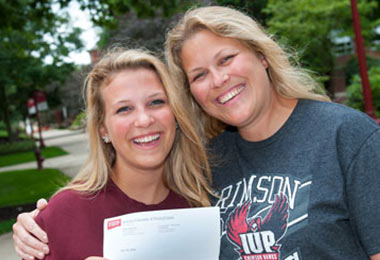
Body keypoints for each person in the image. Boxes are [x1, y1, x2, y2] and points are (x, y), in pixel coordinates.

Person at [13, 5, 380, 260]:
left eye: (226, 59)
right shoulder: (209, 168)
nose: (219, 80)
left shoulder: (347, 136)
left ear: (262, 55)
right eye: (199, 75)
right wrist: (40, 223)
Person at [12, 48, 214, 259]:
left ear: (175, 113)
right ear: (103, 129)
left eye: (156, 102)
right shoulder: (62, 215)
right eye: (124, 109)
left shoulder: (199, 205)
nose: (144, 120)